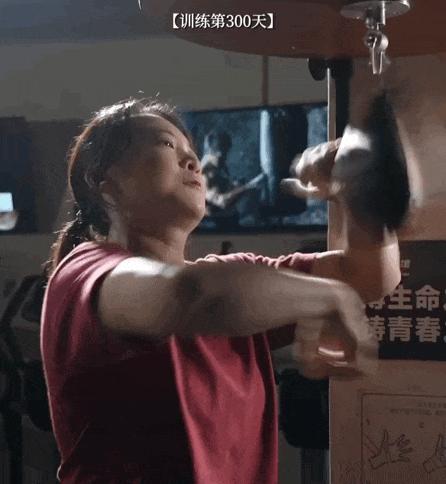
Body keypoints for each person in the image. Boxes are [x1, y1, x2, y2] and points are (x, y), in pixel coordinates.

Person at [40, 98, 400, 484]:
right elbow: (193, 298)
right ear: (104, 184)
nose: (191, 161)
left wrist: (359, 193)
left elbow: (368, 274)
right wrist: (329, 295)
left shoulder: (234, 279)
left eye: (191, 152)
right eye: (166, 144)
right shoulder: (85, 271)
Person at [201, 129, 265, 228]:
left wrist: (235, 186)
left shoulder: (218, 166)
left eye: (227, 152)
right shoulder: (205, 173)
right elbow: (221, 202)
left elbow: (221, 191)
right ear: (217, 151)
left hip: (227, 222)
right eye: (224, 153)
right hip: (218, 226)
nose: (225, 157)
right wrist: (249, 186)